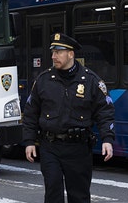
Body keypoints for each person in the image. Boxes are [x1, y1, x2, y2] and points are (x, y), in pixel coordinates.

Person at [22, 33, 115, 203]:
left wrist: (107, 139)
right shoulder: (43, 80)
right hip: (50, 147)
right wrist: (29, 141)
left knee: (79, 196)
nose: (53, 56)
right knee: (53, 192)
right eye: (52, 52)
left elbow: (105, 111)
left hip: (78, 148)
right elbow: (30, 113)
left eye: (58, 52)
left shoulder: (90, 80)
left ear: (71, 54)